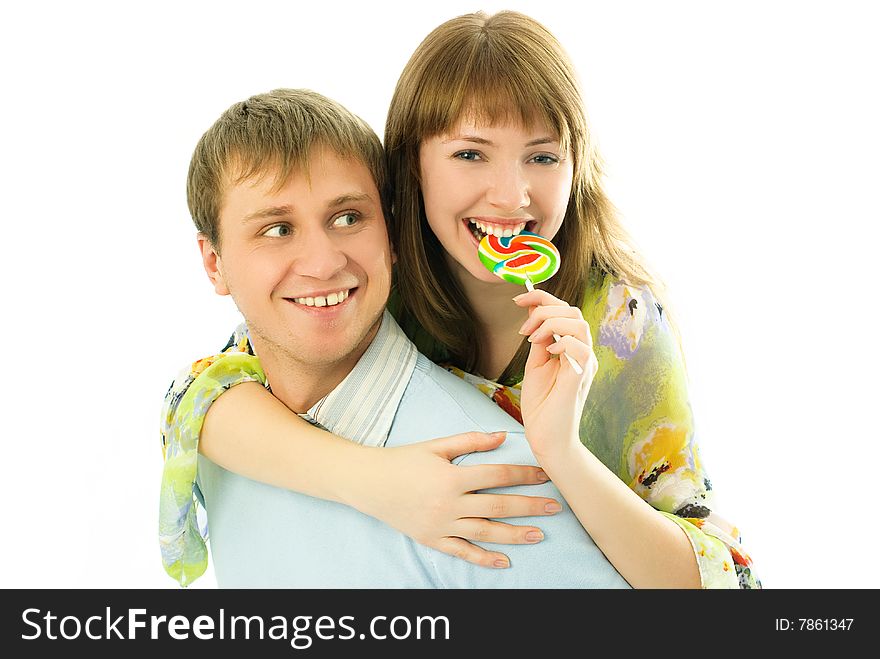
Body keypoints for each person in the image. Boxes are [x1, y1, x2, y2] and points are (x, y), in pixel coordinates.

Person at [161, 10, 759, 589]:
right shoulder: (365, 288)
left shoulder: (620, 324)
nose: (510, 195)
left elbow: (721, 584)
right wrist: (378, 484)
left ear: (577, 167)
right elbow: (205, 395)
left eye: (543, 156)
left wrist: (564, 454)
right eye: (471, 154)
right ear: (410, 169)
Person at [163, 86, 629, 588]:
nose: (323, 264)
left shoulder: (490, 484)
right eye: (277, 229)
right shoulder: (214, 426)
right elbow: (191, 397)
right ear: (215, 263)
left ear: (392, 238)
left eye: (348, 218)